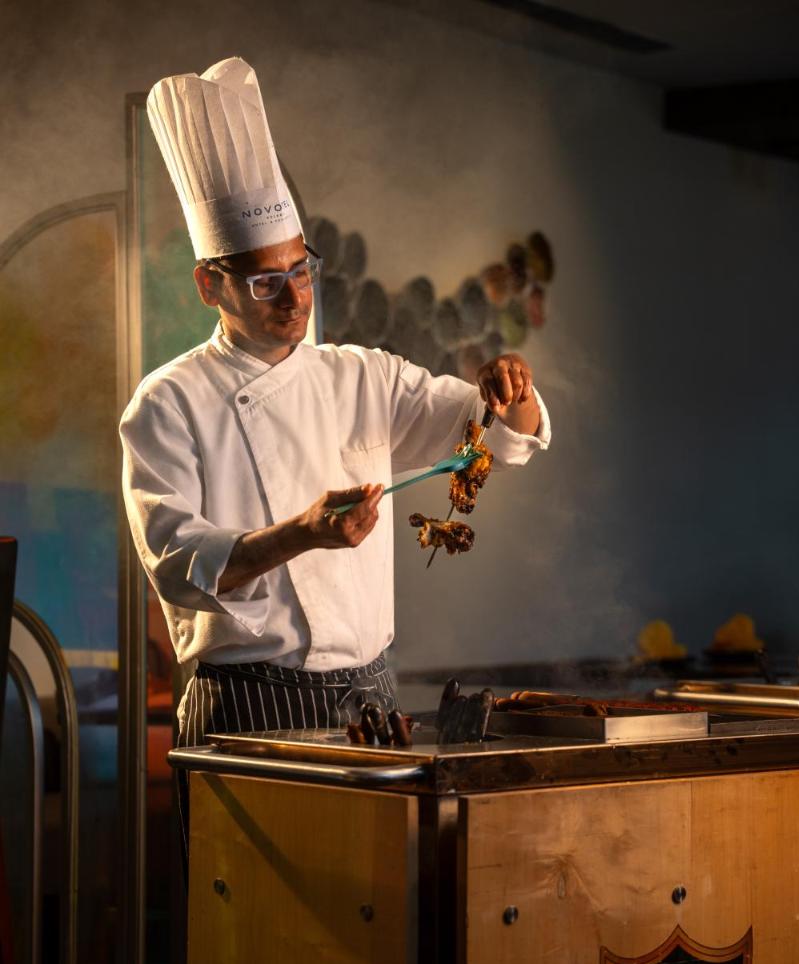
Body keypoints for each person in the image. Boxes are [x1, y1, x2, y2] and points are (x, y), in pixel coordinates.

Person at [120, 58, 551, 754]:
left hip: (371, 698)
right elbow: (178, 562)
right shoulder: (168, 402)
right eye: (266, 282)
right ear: (209, 284)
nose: (294, 298)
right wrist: (301, 532)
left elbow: (496, 440)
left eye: (300, 270)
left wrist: (513, 389)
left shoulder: (364, 377)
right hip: (246, 705)